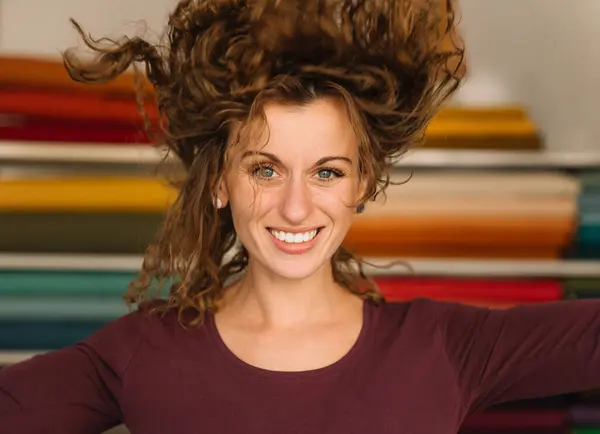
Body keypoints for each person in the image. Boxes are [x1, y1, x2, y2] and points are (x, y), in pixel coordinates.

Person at [1, 0, 599, 433]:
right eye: (264, 169)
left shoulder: (442, 348)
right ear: (218, 182)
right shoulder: (142, 354)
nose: (295, 205)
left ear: (362, 183)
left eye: (327, 172)